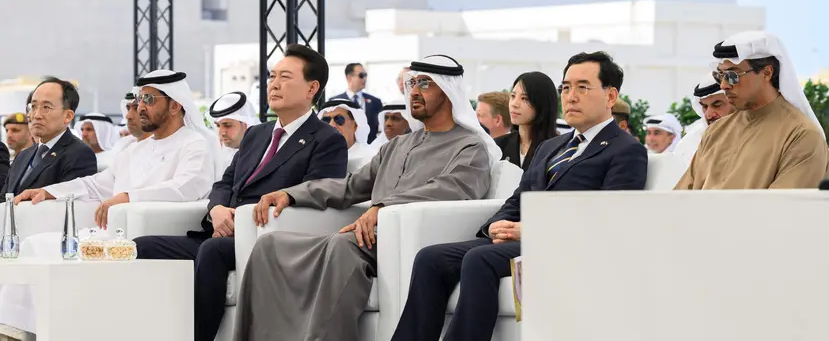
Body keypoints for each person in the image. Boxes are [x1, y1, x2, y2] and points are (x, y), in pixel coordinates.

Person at [233, 54, 498, 341]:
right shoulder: (397, 145)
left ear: (448, 91)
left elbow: (453, 189)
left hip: (406, 240)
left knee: (341, 246)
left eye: (425, 84)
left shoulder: (470, 147)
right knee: (269, 245)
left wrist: (383, 208)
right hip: (365, 235)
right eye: (411, 83)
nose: (415, 92)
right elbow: (349, 187)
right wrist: (290, 194)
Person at [391, 51, 647, 341]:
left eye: (583, 87)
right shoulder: (551, 146)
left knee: (480, 259)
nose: (571, 96)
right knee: (431, 258)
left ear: (610, 96)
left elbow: (610, 218)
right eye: (566, 87)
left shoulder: (625, 150)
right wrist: (494, 227)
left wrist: (531, 229)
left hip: (567, 244)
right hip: (519, 241)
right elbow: (517, 200)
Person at [134, 44, 348, 341]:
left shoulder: (326, 140)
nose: (274, 84)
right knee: (141, 247)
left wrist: (246, 219)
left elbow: (320, 193)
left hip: (268, 238)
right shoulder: (258, 134)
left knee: (211, 251)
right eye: (272, 76)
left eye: (285, 77)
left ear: (312, 87)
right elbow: (224, 184)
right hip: (222, 232)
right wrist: (217, 210)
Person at [15, 70, 216, 228]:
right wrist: (48, 192)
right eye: (139, 100)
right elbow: (95, 185)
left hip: (164, 237)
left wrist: (128, 197)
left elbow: (186, 187)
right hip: (121, 233)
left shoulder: (194, 144)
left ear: (174, 106)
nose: (140, 108)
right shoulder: (135, 150)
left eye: (149, 100)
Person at [676, 31, 829, 189]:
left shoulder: (801, 135)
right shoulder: (715, 132)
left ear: (767, 73)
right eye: (720, 76)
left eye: (732, 75)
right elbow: (679, 197)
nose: (723, 85)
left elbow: (782, 207)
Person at [1, 77, 96, 197]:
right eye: (34, 107)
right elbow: (3, 199)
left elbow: (69, 207)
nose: (36, 115)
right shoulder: (23, 156)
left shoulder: (79, 154)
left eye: (46, 107)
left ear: (68, 116)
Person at [495, 72, 559, 171]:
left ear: (542, 104)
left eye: (524, 98)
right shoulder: (499, 145)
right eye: (513, 96)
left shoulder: (558, 149)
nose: (514, 104)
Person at [673, 75, 735, 168]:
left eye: (717, 104)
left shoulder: (758, 132)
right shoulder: (692, 141)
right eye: (704, 106)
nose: (708, 114)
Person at [318, 99, 378, 172]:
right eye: (326, 120)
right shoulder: (316, 157)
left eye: (339, 119)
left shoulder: (371, 158)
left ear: (355, 125)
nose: (332, 125)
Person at [330, 63, 383, 143]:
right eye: (361, 75)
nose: (364, 78)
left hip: (370, 149)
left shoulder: (375, 102)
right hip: (343, 149)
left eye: (366, 75)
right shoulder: (334, 102)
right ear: (349, 77)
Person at [208, 91, 259, 171]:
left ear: (246, 125)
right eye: (218, 126)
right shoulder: (215, 154)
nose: (222, 132)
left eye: (227, 125)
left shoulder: (261, 154)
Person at [108, 89, 151, 155]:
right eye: (128, 108)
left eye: (136, 108)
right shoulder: (122, 147)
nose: (128, 116)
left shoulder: (164, 150)